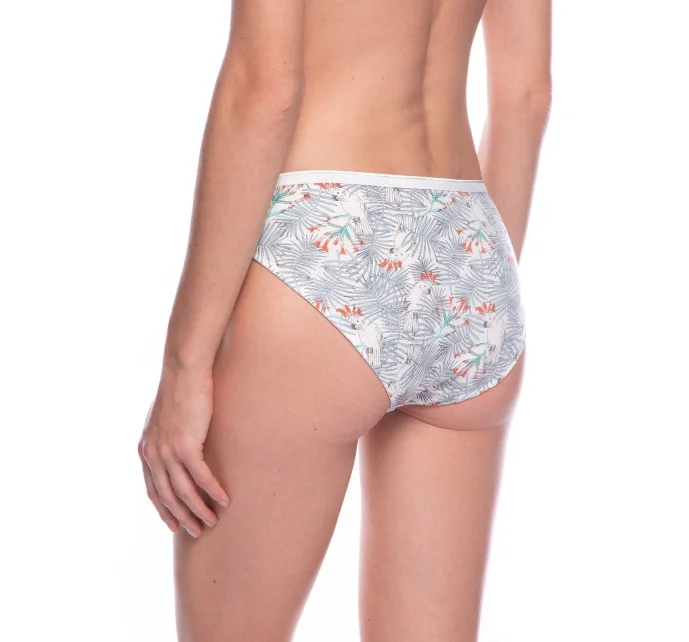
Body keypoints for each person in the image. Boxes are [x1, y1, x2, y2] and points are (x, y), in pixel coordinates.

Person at [137, 0, 551, 639]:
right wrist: (468, 284)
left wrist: (184, 364)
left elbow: (265, 91)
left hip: (327, 236)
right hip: (467, 247)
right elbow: (527, 95)